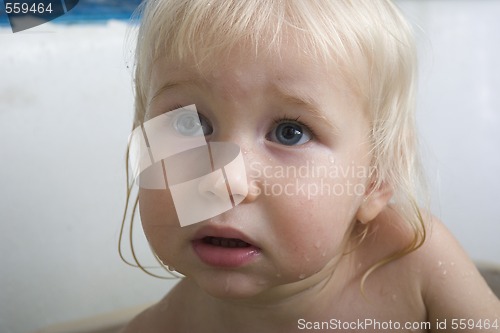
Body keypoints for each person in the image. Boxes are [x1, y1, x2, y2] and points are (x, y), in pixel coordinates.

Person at [120, 0, 500, 332]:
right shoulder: (163, 327)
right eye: (191, 124)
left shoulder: (416, 262)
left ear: (375, 178)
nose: (225, 182)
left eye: (290, 132)